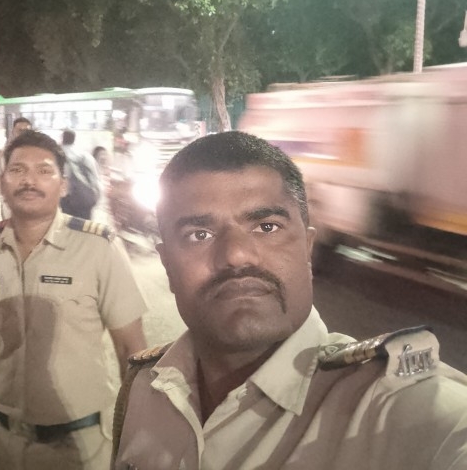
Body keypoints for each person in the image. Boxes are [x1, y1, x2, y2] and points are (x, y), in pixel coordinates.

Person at [112, 131, 467, 470]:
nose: (236, 254)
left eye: (266, 227)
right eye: (199, 234)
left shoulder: (396, 405)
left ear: (307, 248)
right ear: (167, 264)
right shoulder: (142, 389)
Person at [0, 130, 148, 470]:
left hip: (83, 447)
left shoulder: (98, 248)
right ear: (2, 183)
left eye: (44, 170)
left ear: (64, 186)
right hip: (3, 442)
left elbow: (131, 352)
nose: (29, 180)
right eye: (17, 170)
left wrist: (140, 440)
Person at [0, 116, 32, 223]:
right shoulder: (4, 155)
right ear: (14, 132)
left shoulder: (40, 155)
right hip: (10, 208)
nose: (23, 134)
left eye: (26, 131)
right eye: (20, 131)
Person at [59, 129, 102, 220]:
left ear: (63, 138)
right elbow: (96, 178)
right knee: (85, 225)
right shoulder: (86, 156)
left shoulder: (59, 154)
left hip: (68, 200)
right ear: (74, 139)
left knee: (68, 225)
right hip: (86, 199)